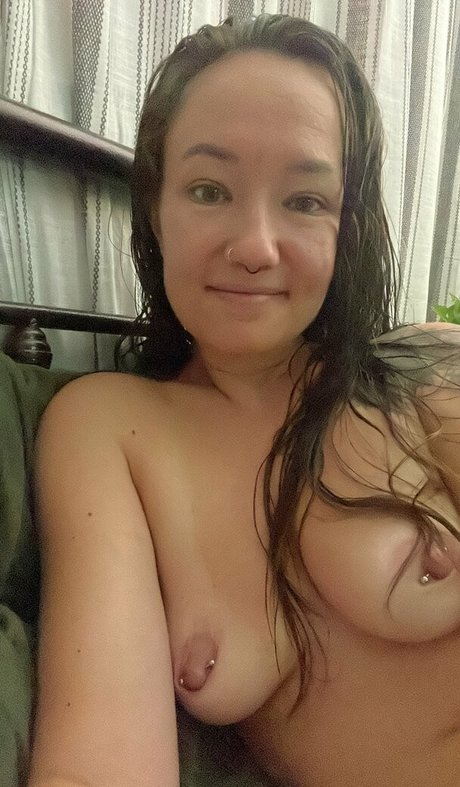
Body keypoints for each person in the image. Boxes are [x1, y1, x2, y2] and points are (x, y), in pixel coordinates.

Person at [28, 13, 460, 787]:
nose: (255, 246)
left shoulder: (422, 370)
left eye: (305, 200)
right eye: (209, 189)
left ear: (345, 226)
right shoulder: (109, 427)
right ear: (156, 210)